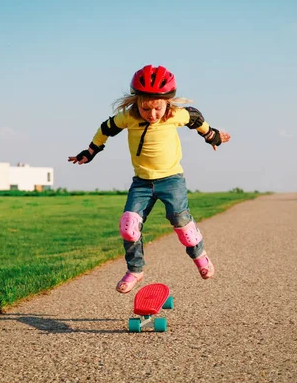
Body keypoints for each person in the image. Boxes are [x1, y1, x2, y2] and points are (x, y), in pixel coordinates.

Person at [68, 65, 231, 293]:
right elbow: (105, 129)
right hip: (142, 183)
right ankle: (135, 270)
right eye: (145, 108)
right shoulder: (128, 117)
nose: (152, 115)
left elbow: (194, 117)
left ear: (167, 103)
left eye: (157, 108)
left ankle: (200, 256)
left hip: (171, 180)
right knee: (128, 226)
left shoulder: (175, 115)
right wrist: (91, 151)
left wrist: (211, 135)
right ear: (136, 103)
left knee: (182, 223)